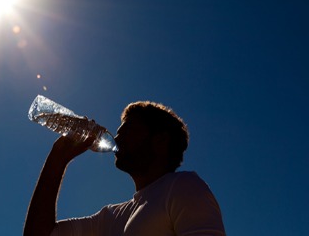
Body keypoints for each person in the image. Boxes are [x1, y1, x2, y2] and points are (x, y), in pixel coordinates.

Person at [23, 101, 226, 236]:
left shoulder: (183, 187)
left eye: (128, 130)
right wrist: (58, 157)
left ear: (160, 141)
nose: (117, 138)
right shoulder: (111, 217)